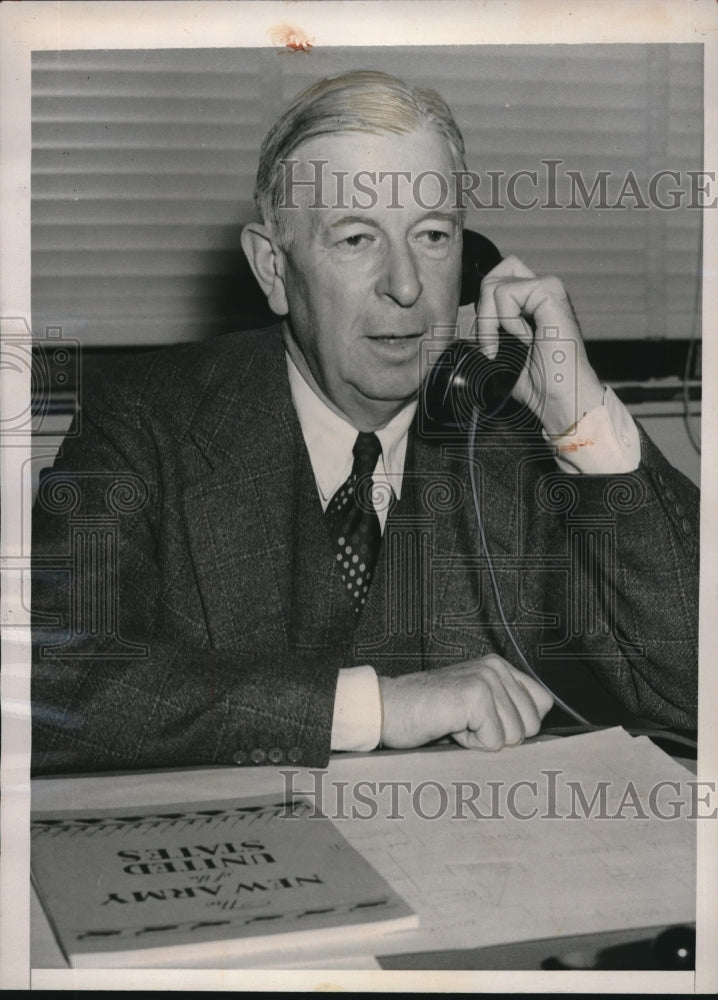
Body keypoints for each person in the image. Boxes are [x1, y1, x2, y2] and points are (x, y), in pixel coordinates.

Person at [31, 70, 699, 775]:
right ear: (273, 268)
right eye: (356, 239)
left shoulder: (515, 441)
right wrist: (374, 708)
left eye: (432, 236)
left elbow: (695, 686)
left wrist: (582, 422)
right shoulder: (144, 419)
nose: (407, 286)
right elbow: (44, 687)